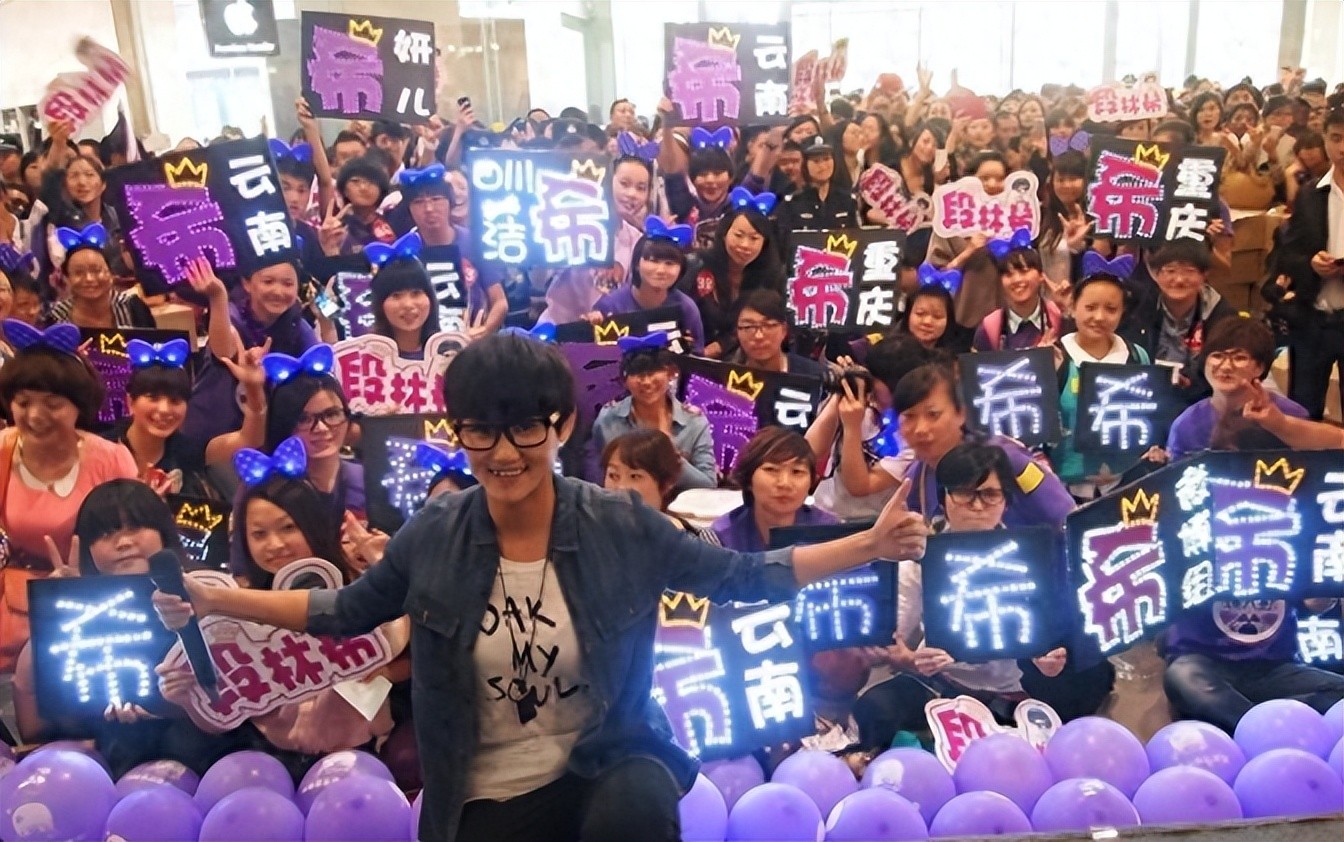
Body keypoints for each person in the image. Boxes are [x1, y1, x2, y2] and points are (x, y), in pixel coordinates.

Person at [150, 332, 929, 842]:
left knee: (636, 806)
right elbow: (345, 611)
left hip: (602, 760)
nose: (503, 452)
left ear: (560, 426)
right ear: (459, 432)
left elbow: (741, 576)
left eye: (525, 428)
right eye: (480, 430)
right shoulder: (437, 533)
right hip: (482, 792)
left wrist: (869, 542)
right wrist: (217, 599)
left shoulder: (617, 522)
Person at [158, 441, 405, 781]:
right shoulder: (233, 606)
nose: (274, 545)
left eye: (288, 527)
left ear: (312, 526)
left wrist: (381, 668)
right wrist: (187, 695)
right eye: (259, 534)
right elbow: (219, 714)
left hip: (359, 757)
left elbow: (408, 647)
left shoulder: (355, 587)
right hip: (270, 759)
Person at [853, 443, 1112, 751]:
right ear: (944, 498)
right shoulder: (922, 558)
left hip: (1017, 689)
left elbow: (1047, 637)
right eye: (965, 493)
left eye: (990, 495)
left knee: (1092, 681)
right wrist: (909, 660)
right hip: (942, 684)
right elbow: (891, 635)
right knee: (875, 708)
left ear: (1006, 501)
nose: (977, 506)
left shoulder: (1033, 555)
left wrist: (1047, 661)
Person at [11, 480, 232, 776]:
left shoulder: (208, 594)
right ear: (88, 548)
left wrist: (183, 706)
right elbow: (34, 728)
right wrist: (51, 618)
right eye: (105, 533)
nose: (123, 542)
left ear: (163, 532)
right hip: (110, 764)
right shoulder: (81, 612)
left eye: (136, 527)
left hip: (209, 756)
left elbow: (238, 701)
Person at [0, 320, 139, 672]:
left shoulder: (112, 459)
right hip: (13, 617)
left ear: (79, 405)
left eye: (52, 404)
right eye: (23, 402)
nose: (35, 416)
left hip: (96, 611)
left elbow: (138, 545)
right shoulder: (2, 451)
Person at [894, 362, 1075, 528]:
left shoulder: (1009, 459)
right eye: (909, 416)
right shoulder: (915, 479)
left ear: (961, 414)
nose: (920, 429)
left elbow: (1067, 517)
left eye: (933, 414)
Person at [1050, 269, 1151, 499]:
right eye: (1090, 307)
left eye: (1111, 309)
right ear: (1072, 307)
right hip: (1064, 489)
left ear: (1122, 312)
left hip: (1125, 483)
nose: (1099, 317)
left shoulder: (1137, 356)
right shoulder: (1055, 358)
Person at [1272, 107, 1344, 421]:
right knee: (1302, 412)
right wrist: (1311, 264)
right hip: (1313, 318)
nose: (1342, 148)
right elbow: (1287, 254)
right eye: (1336, 138)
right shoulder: (1310, 194)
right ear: (1325, 140)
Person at [1165, 318, 1307, 460]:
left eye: (1239, 358)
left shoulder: (1292, 415)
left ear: (1260, 367)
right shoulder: (1186, 425)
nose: (1226, 366)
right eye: (1217, 356)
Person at [588, 332, 715, 491]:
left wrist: (671, 456)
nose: (647, 382)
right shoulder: (608, 418)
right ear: (624, 380)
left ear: (670, 373)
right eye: (637, 374)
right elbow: (597, 477)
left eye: (653, 372)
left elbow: (708, 484)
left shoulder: (694, 421)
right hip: (623, 501)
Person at [1122, 239, 1238, 409]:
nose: (1179, 279)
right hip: (1141, 395)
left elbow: (1226, 368)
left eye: (1189, 271)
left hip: (1203, 401)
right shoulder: (1138, 307)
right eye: (1170, 271)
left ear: (1204, 275)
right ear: (1156, 274)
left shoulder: (1222, 315)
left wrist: (1191, 384)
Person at [684, 192, 785, 358]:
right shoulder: (697, 265)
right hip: (694, 353)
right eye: (738, 235)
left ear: (764, 243)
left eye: (754, 238)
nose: (745, 245)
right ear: (724, 234)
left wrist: (720, 346)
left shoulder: (773, 276)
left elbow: (769, 325)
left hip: (746, 356)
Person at [713, 426, 838, 552]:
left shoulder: (830, 535)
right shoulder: (720, 538)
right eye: (771, 469)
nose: (784, 483)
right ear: (749, 478)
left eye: (797, 471)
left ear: (811, 481)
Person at [591, 228, 705, 353]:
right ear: (636, 264)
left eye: (669, 263)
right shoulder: (610, 306)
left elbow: (697, 356)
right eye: (653, 261)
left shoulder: (686, 308)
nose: (661, 270)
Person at [600, 428, 717, 542]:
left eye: (634, 476)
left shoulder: (696, 541)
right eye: (613, 475)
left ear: (667, 483)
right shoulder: (593, 534)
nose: (621, 487)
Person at [971, 232, 1067, 352]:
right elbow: (979, 363)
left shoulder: (1058, 318)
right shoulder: (989, 327)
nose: (1017, 280)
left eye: (1024, 271)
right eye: (1008, 274)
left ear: (1041, 276)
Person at [46, 223, 154, 329]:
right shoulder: (56, 317)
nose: (89, 278)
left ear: (110, 274)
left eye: (96, 270)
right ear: (67, 278)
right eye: (79, 273)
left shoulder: (132, 307)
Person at [774, 135, 858, 249]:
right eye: (816, 161)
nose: (822, 166)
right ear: (805, 164)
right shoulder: (792, 203)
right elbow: (783, 245)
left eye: (827, 159)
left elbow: (858, 239)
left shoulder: (848, 201)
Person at [369, 233, 442, 359]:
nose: (408, 304)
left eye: (416, 293)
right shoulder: (366, 358)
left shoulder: (448, 354)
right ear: (380, 304)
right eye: (396, 295)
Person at [723, 289, 823, 376]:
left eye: (768, 325)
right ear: (737, 332)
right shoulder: (724, 378)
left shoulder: (812, 374)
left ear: (784, 330)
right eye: (748, 327)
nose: (758, 336)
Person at [900, 273, 969, 352]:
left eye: (937, 316)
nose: (927, 322)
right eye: (920, 313)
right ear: (908, 314)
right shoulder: (892, 349)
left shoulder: (960, 354)